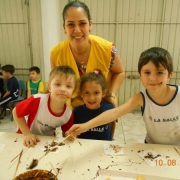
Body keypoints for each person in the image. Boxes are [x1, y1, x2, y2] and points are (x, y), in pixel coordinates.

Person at [69, 47, 180, 145]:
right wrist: (85, 126)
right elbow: (114, 113)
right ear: (140, 75)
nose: (152, 78)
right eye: (147, 72)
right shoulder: (140, 98)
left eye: (159, 72)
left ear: (170, 75)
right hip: (151, 147)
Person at [50, 1, 125, 136]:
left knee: (103, 142)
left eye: (82, 23)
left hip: (100, 105)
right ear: (64, 27)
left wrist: (112, 95)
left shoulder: (108, 49)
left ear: (90, 25)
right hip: (72, 111)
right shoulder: (56, 54)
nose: (77, 30)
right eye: (71, 24)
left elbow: (119, 72)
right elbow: (55, 81)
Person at [13, 66, 77, 147]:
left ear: (73, 92)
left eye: (68, 86)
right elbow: (15, 111)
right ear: (49, 87)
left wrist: (70, 135)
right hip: (24, 137)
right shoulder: (37, 100)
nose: (63, 89)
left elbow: (66, 134)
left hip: (47, 142)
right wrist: (27, 134)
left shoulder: (68, 114)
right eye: (58, 84)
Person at [74, 70, 114, 141]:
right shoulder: (77, 112)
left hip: (103, 148)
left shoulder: (109, 108)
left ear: (103, 93)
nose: (91, 98)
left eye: (96, 93)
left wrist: (111, 139)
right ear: (81, 94)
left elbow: (113, 123)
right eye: (87, 93)